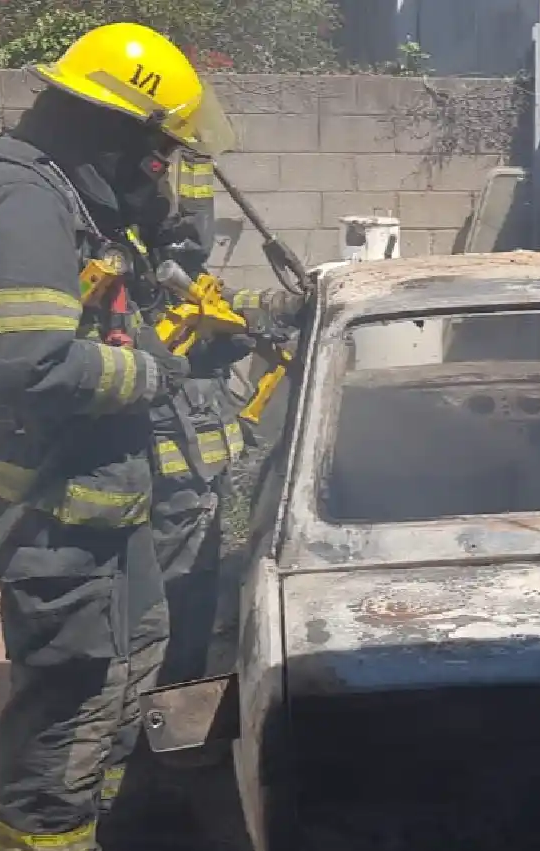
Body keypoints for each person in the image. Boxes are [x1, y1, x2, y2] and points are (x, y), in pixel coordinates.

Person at [0, 22, 230, 851]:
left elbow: (114, 316)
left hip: (104, 499)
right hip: (55, 508)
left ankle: (84, 849)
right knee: (70, 702)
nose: (160, 172)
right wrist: (152, 370)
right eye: (155, 152)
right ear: (110, 126)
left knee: (128, 671)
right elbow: (26, 363)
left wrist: (195, 333)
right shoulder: (20, 200)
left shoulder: (70, 194)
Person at [136, 149, 303, 687]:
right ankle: (165, 701)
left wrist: (280, 306)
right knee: (170, 598)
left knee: (195, 584)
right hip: (159, 476)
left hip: (195, 475)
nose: (191, 228)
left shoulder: (170, 268)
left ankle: (176, 691)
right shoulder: (125, 266)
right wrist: (183, 359)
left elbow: (222, 298)